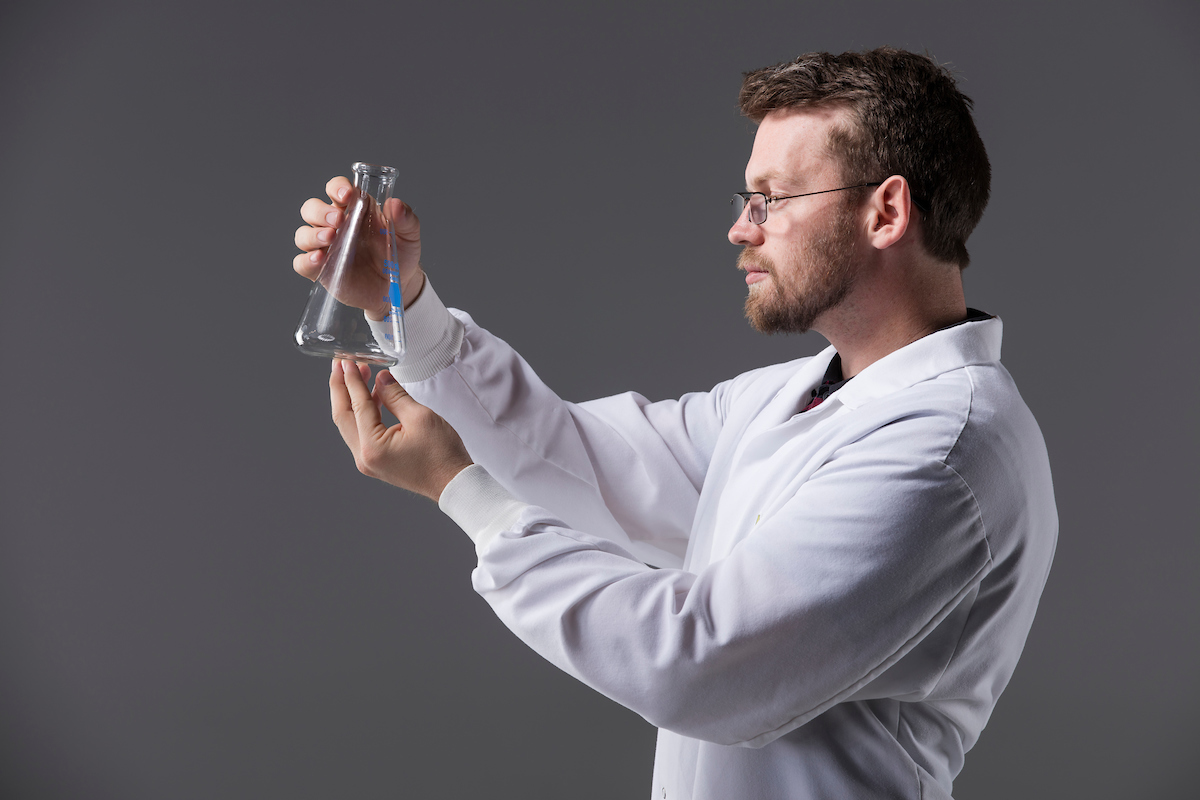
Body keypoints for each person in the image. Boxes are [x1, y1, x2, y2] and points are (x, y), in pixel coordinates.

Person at [293, 47, 1057, 800]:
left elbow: (699, 665)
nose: (742, 228)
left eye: (775, 197)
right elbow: (577, 460)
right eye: (745, 199)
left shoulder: (947, 451)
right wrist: (404, 303)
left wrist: (462, 492)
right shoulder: (795, 397)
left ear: (885, 212)